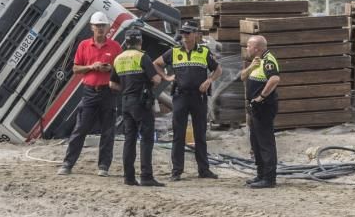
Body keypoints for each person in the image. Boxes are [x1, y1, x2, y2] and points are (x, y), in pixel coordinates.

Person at [153, 20, 222, 181]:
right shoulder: (174, 51)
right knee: (178, 134)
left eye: (188, 33)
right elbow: (156, 63)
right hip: (180, 97)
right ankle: (176, 171)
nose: (184, 36)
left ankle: (204, 170)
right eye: (183, 33)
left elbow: (218, 69)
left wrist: (209, 81)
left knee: (200, 135)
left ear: (196, 34)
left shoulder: (204, 52)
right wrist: (166, 77)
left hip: (199, 98)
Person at [57, 11, 122, 177]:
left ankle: (104, 166)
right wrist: (92, 67)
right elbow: (76, 68)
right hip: (90, 92)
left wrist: (111, 69)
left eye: (103, 25)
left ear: (108, 27)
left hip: (108, 92)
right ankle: (68, 163)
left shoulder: (115, 47)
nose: (100, 28)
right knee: (80, 129)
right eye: (97, 26)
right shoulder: (84, 45)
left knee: (108, 131)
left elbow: (122, 69)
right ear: (92, 27)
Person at [109, 29, 165, 187]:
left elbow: (112, 84)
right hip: (141, 103)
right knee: (146, 139)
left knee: (129, 140)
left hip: (125, 102)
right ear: (140, 42)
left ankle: (129, 177)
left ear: (126, 42)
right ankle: (146, 176)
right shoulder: (142, 56)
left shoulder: (118, 58)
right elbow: (155, 79)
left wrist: (127, 87)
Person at [239, 35, 280, 189]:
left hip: (264, 107)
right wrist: (250, 67)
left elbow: (275, 79)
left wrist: (261, 97)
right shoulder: (256, 61)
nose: (247, 49)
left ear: (257, 48)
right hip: (254, 107)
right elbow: (242, 77)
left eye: (249, 46)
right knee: (255, 142)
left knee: (265, 142)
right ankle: (261, 174)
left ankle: (269, 178)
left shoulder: (268, 60)